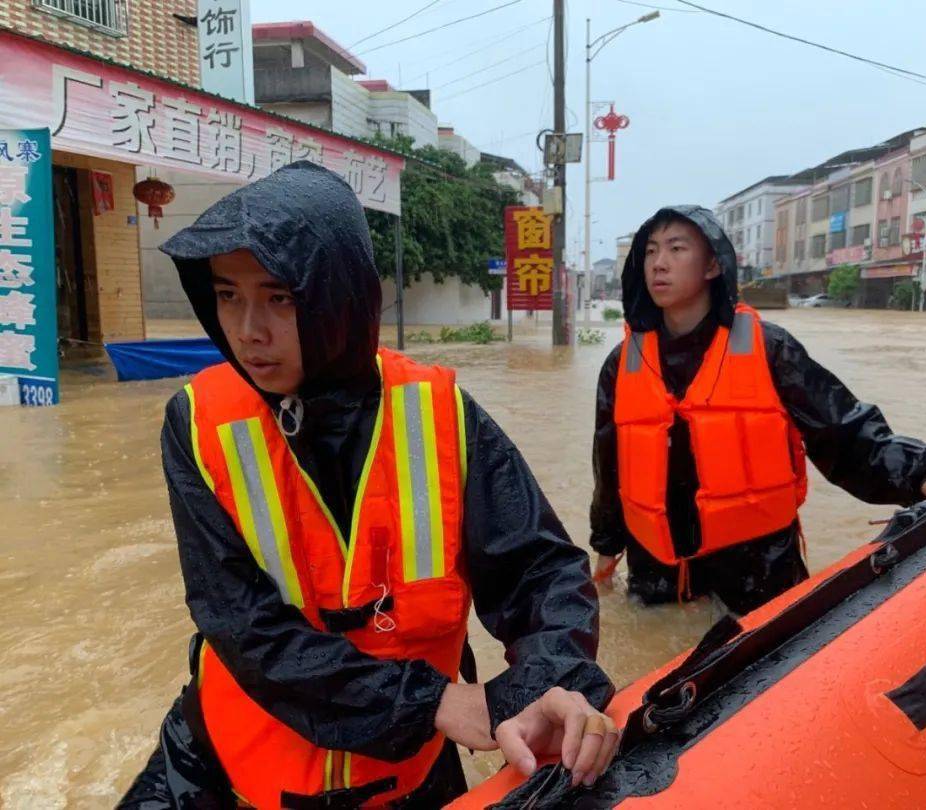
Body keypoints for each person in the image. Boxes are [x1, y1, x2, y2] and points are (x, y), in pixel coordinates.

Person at [120, 162, 616, 809]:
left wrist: (547, 685)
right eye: (227, 295)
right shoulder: (196, 424)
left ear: (336, 296)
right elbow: (242, 624)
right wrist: (435, 702)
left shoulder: (441, 415)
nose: (248, 330)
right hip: (226, 768)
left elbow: (539, 571)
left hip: (408, 774)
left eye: (279, 297)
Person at [590, 205, 926, 610]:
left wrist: (924, 478)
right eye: (650, 251)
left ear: (712, 266)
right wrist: (606, 549)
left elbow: (842, 430)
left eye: (676, 249)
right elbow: (609, 465)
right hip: (657, 572)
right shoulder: (622, 363)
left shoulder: (770, 348)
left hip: (757, 569)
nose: (659, 263)